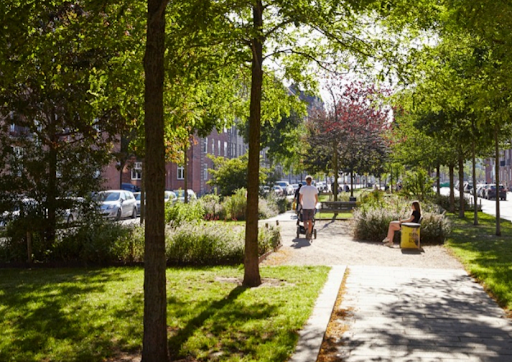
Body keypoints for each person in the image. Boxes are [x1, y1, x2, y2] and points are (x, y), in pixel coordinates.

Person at [299, 175, 318, 240]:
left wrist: (302, 204)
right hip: (311, 206)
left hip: (305, 206)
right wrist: (314, 205)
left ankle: (306, 229)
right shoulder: (314, 188)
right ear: (311, 181)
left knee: (304, 220)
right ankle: (309, 233)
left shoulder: (303, 188)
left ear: (306, 181)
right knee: (310, 221)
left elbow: (300, 198)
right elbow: (316, 199)